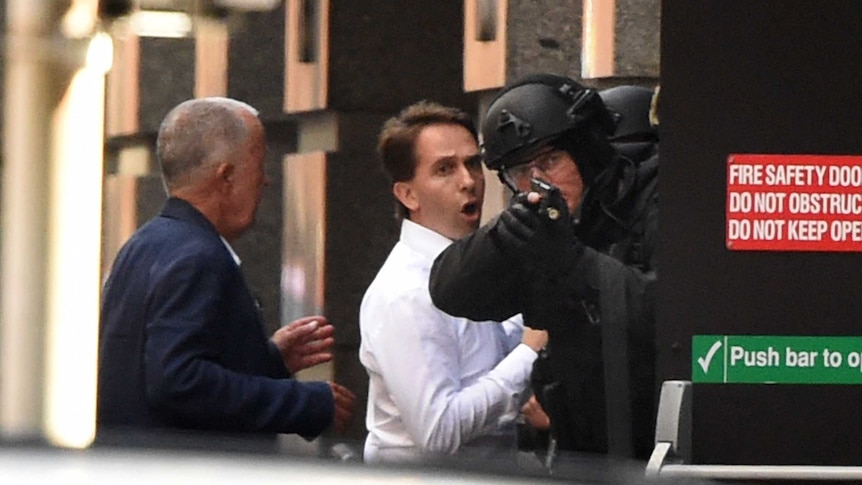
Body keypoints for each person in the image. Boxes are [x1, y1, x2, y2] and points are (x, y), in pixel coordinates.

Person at [97, 97, 355, 444]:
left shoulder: (143, 244)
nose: (265, 181)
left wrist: (268, 359)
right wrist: (305, 402)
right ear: (227, 175)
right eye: (260, 164)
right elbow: (179, 382)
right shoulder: (198, 257)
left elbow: (158, 370)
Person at [428, 74, 658, 460]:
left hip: (656, 446)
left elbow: (667, 315)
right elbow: (450, 290)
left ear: (584, 152)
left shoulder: (653, 197)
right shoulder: (542, 222)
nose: (538, 181)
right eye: (521, 172)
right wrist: (505, 233)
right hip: (581, 450)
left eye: (550, 161)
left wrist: (574, 263)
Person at [359, 100, 548, 464]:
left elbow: (488, 362)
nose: (468, 181)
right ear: (407, 194)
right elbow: (437, 432)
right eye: (445, 169)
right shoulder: (407, 293)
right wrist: (528, 352)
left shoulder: (476, 264)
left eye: (473, 163)